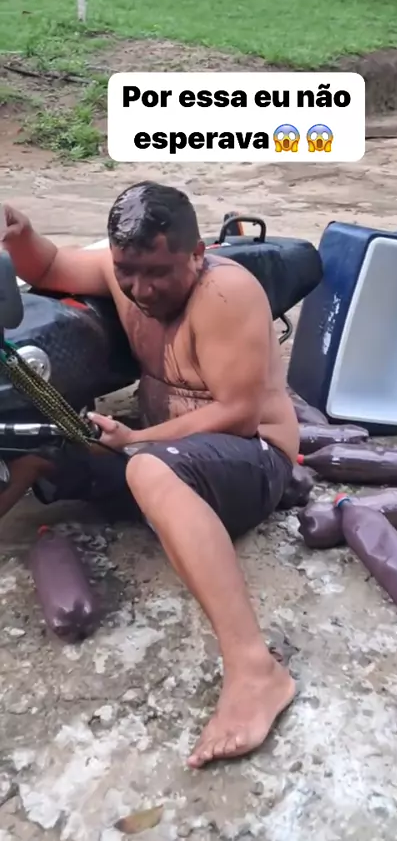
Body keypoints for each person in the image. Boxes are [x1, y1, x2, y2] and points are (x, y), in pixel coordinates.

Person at [0, 181, 299, 768]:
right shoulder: (124, 274)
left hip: (253, 459)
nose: (141, 289)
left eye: (159, 272)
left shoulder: (226, 293)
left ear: (197, 254)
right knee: (43, 444)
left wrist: (137, 440)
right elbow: (52, 267)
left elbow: (238, 414)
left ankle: (255, 671)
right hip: (166, 454)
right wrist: (22, 235)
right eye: (127, 272)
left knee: (148, 470)